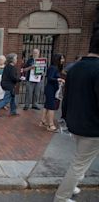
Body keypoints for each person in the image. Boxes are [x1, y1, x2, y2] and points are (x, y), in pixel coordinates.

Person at [53, 31, 99, 202]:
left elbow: (66, 96)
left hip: (75, 123)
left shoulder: (74, 67)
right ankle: (62, 197)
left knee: (80, 160)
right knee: (79, 163)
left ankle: (71, 185)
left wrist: (65, 118)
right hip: (92, 126)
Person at [0, 53, 23, 118]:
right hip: (9, 86)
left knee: (12, 98)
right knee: (6, 100)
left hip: (5, 84)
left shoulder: (6, 66)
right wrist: (19, 79)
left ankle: (13, 111)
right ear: (12, 60)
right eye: (15, 58)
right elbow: (13, 77)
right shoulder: (12, 68)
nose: (16, 60)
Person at [40, 54, 65, 132]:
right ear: (57, 59)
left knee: (47, 106)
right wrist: (59, 79)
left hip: (51, 89)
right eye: (61, 58)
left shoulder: (54, 68)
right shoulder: (53, 68)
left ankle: (43, 121)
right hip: (50, 90)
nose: (63, 60)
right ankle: (51, 125)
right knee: (52, 107)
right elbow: (50, 78)